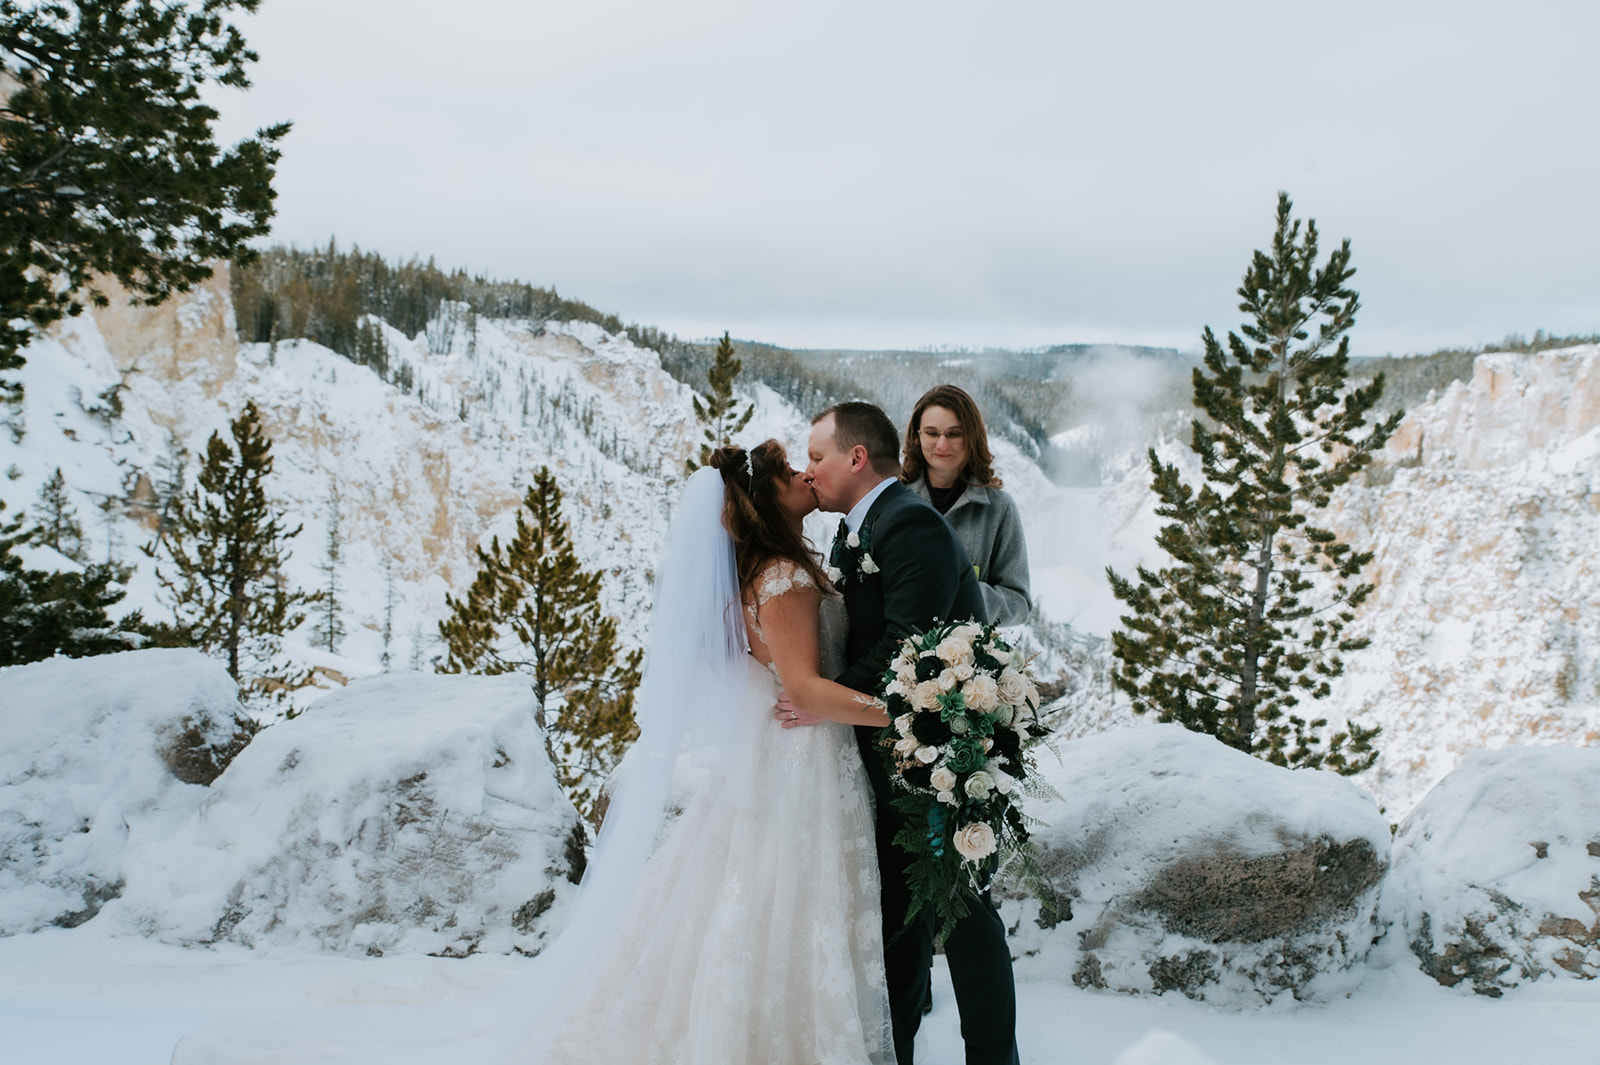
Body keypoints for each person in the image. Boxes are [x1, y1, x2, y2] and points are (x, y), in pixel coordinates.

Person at [539, 441, 897, 1065]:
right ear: (765, 501)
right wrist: (906, 716)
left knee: (754, 885)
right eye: (788, 472)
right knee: (782, 894)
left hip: (779, 750)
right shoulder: (782, 579)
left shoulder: (767, 571)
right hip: (801, 757)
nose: (803, 473)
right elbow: (805, 687)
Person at [795, 401, 1021, 1065]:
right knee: (902, 916)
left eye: (817, 456)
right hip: (894, 749)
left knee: (963, 913)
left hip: (942, 756)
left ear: (856, 458)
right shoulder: (862, 527)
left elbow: (906, 649)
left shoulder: (910, 525)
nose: (809, 472)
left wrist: (820, 698)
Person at [900, 384, 1031, 627]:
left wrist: (962, 593)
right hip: (895, 656)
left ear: (971, 437)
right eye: (931, 433)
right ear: (917, 437)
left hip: (964, 661)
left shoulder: (998, 509)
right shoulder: (894, 501)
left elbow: (1019, 604)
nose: (942, 445)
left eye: (954, 434)